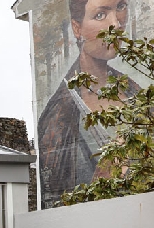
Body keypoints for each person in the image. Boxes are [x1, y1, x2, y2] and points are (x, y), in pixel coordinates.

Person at [37, 0, 139, 208]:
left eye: (120, 7)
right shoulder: (59, 117)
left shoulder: (137, 95)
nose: (116, 24)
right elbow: (55, 204)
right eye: (100, 15)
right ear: (77, 28)